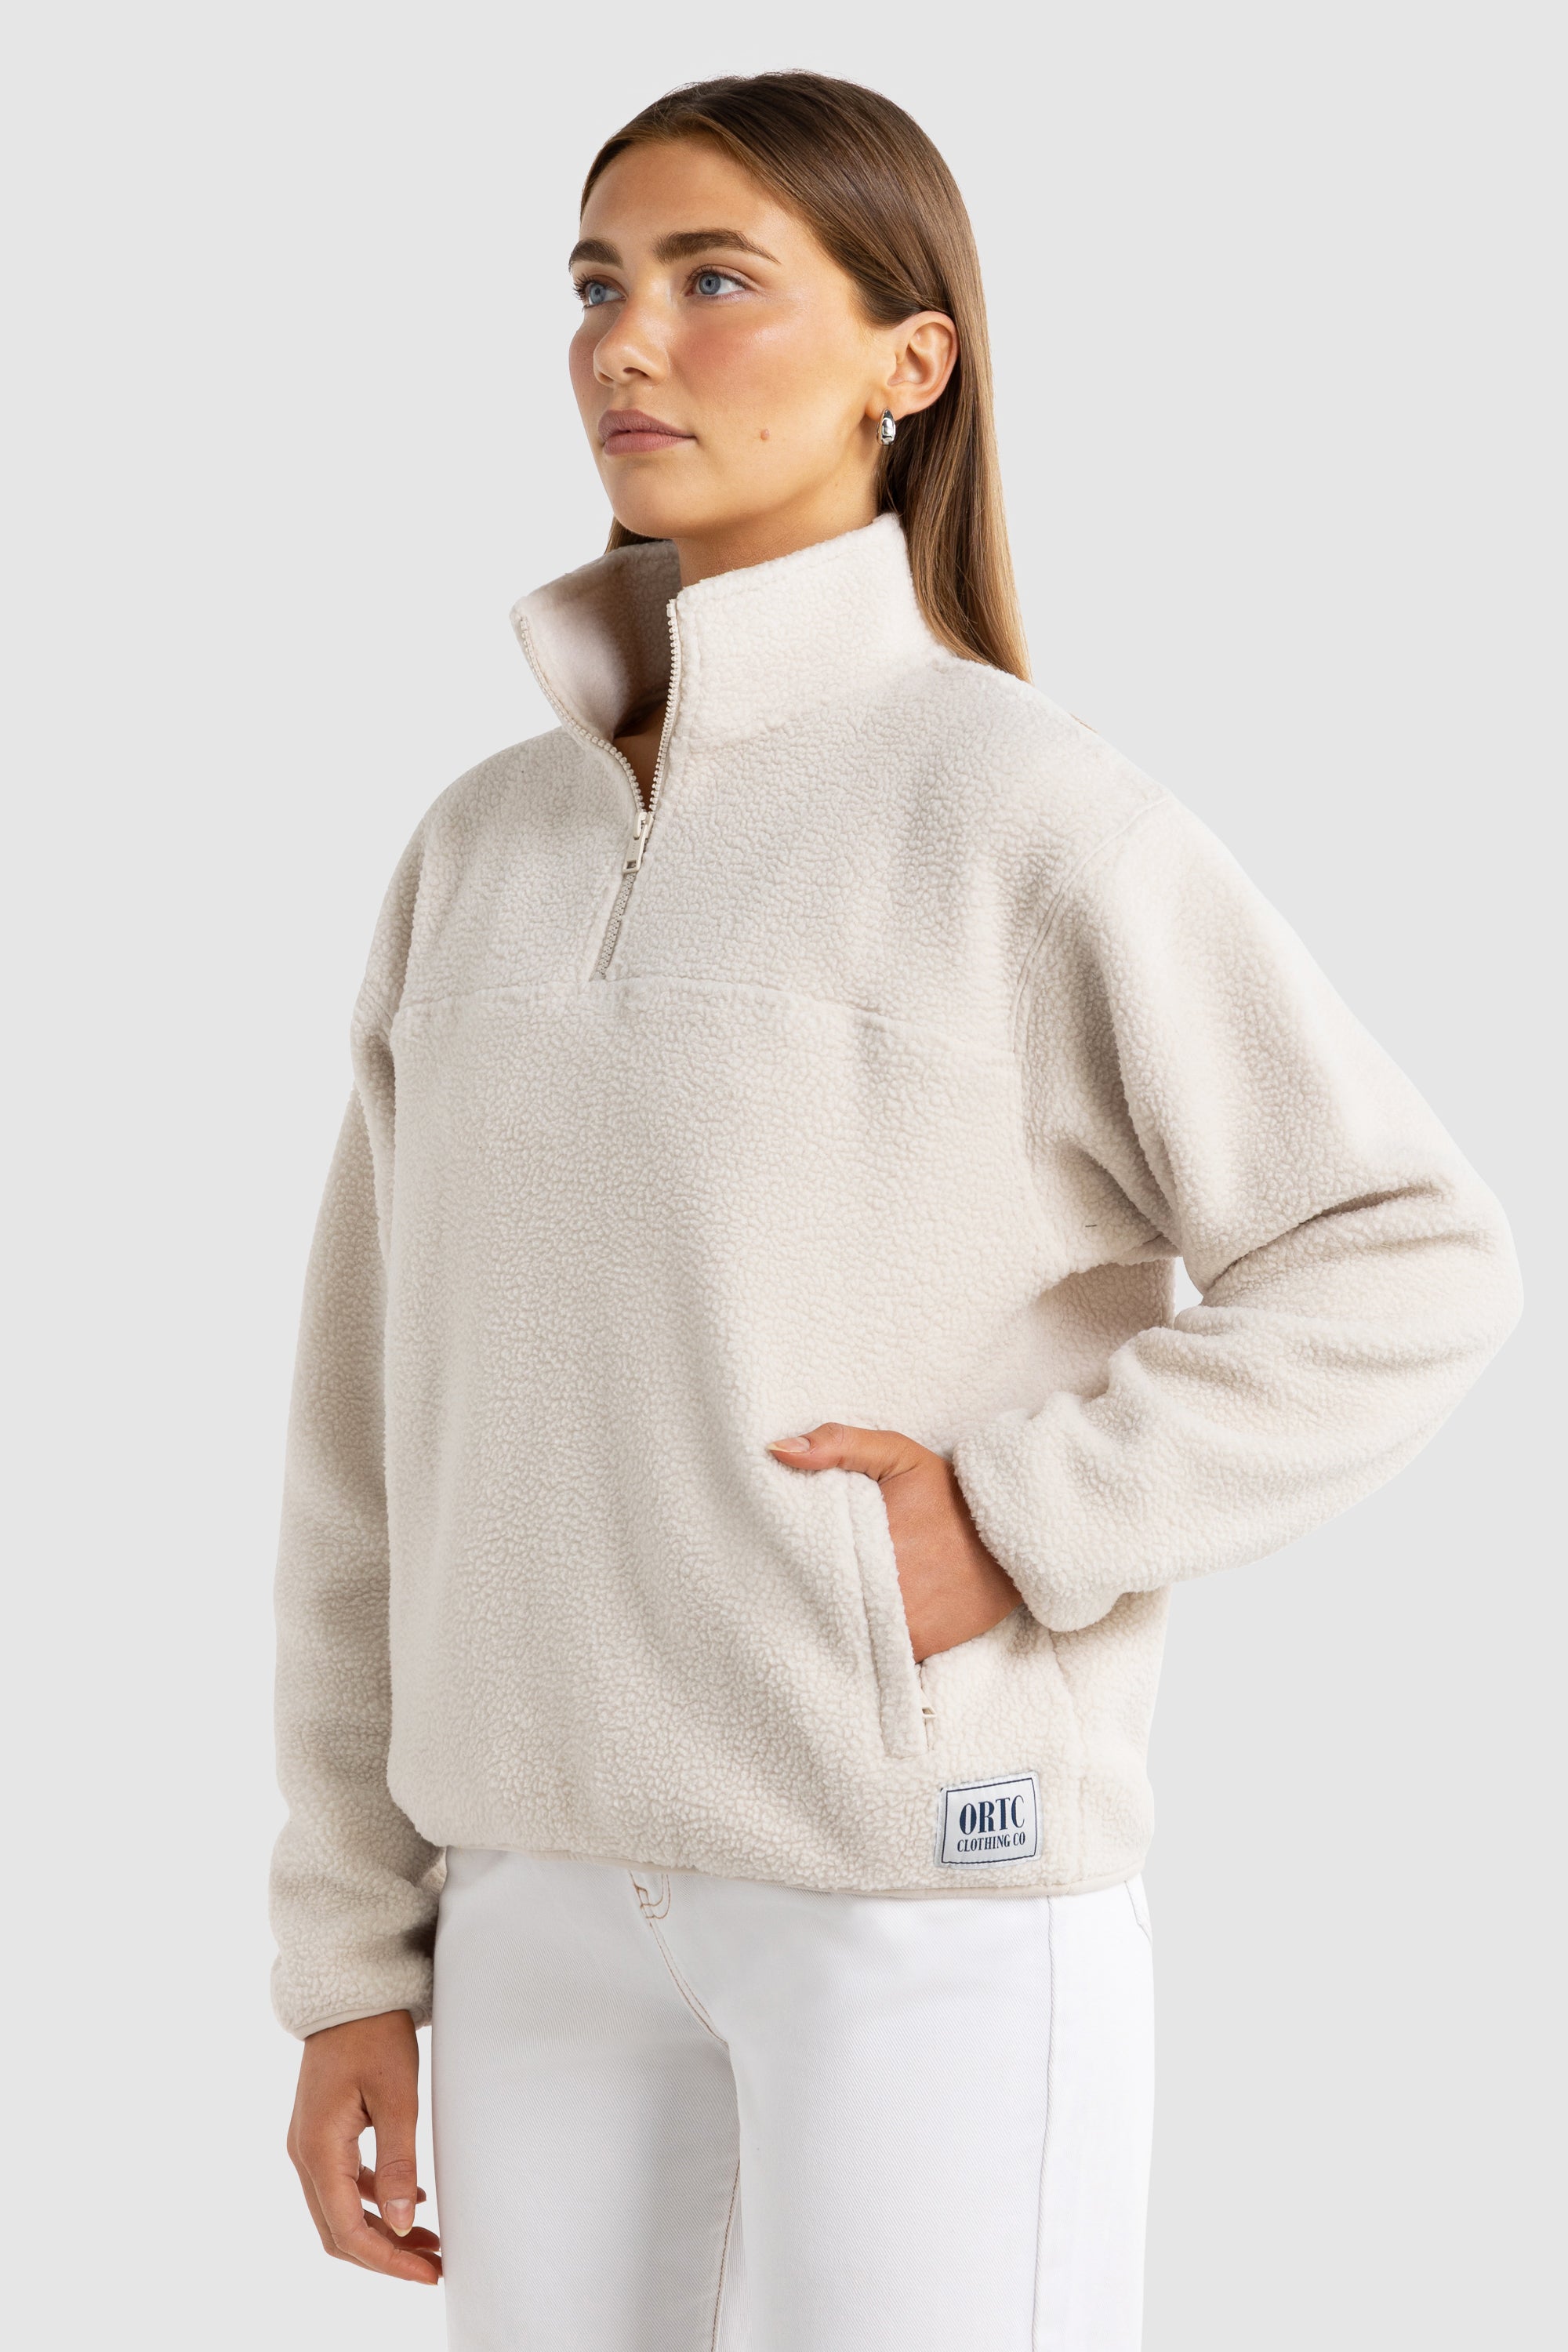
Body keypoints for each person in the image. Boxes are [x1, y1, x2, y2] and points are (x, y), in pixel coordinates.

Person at [270, 71, 1521, 2352]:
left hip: (918, 1882)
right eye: (597, 283)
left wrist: (1019, 1521)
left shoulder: (1026, 818)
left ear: (906, 363)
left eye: (715, 281)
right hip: (528, 1893)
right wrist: (355, 1953)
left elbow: (1407, 1255)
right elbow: (367, 1430)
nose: (628, 342)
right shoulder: (479, 848)